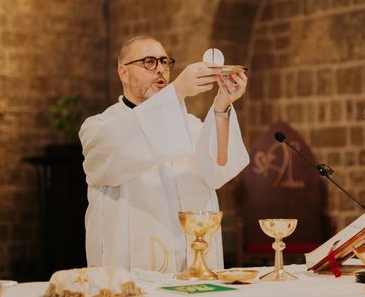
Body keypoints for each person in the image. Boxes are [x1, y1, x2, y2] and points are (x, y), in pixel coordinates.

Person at [79, 36, 250, 273]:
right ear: (123, 73)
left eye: (164, 62)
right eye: (149, 62)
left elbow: (217, 171)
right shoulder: (98, 127)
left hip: (192, 264)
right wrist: (177, 91)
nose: (160, 69)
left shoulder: (190, 125)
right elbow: (116, 150)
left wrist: (221, 106)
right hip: (133, 271)